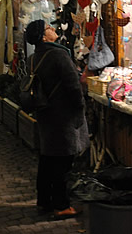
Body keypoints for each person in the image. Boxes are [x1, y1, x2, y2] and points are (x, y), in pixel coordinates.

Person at [25, 20, 87, 220]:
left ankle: (44, 201)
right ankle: (61, 205)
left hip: (45, 114)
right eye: (48, 28)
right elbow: (73, 85)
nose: (53, 29)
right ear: (43, 36)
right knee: (62, 162)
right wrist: (80, 108)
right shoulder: (59, 55)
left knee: (48, 159)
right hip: (62, 116)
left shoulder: (34, 57)